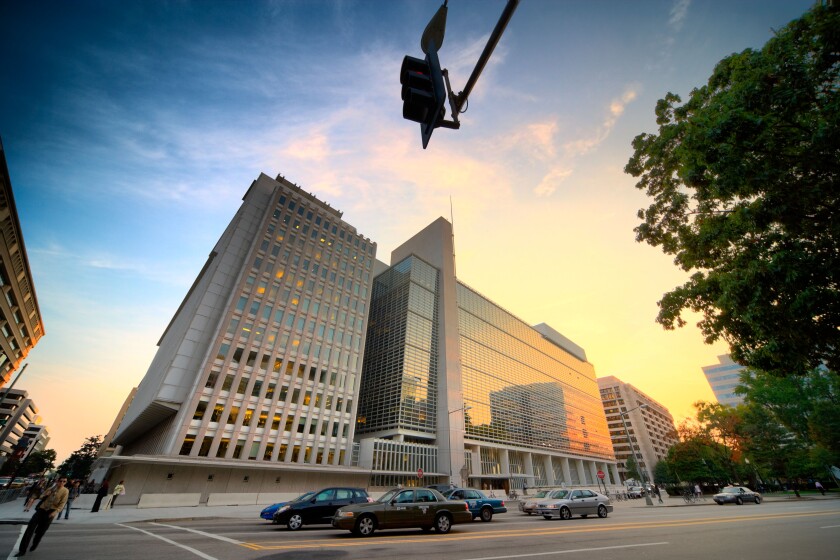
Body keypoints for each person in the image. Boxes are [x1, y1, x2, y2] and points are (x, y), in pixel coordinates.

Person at [15, 477, 69, 557]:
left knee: (40, 532)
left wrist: (55, 512)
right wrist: (45, 494)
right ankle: (22, 550)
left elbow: (62, 503)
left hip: (51, 512)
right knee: (30, 529)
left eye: (64, 481)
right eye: (60, 481)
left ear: (65, 483)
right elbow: (40, 497)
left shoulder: (65, 491)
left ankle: (35, 543)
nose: (62, 483)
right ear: (57, 481)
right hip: (41, 510)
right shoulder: (51, 488)